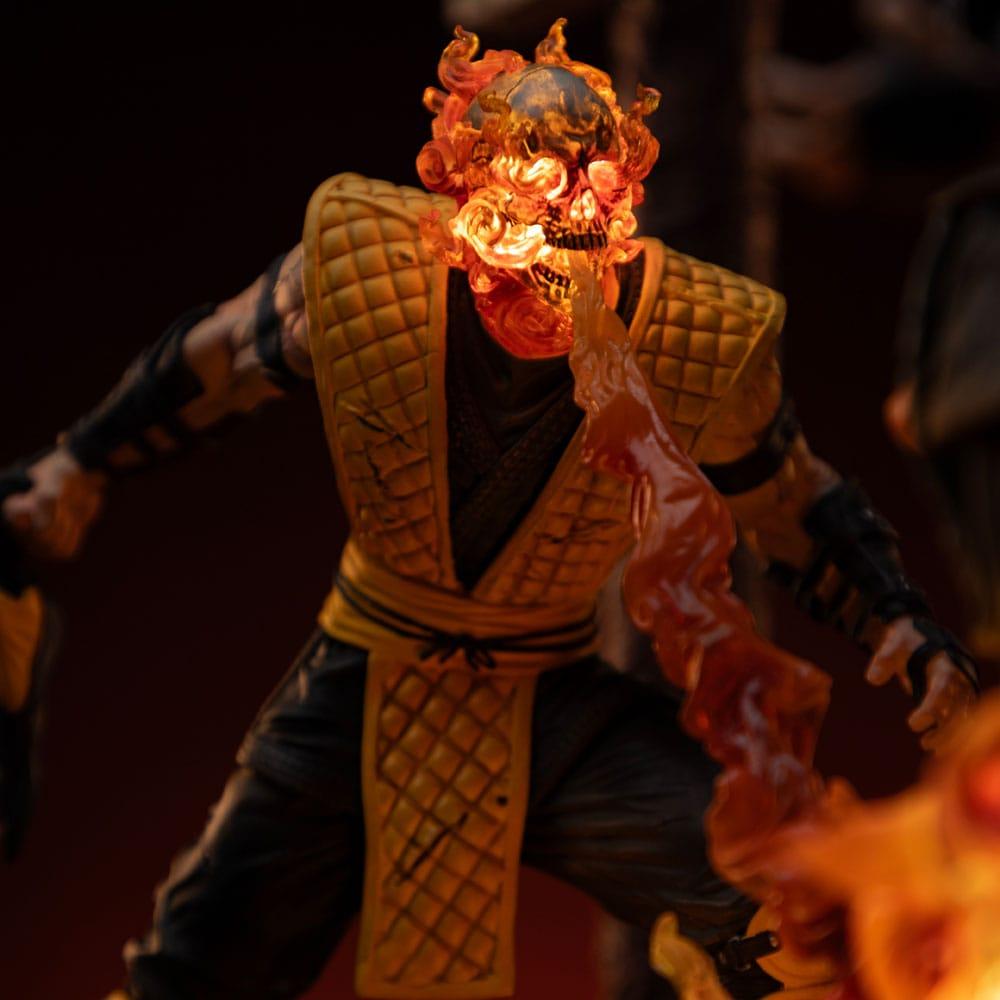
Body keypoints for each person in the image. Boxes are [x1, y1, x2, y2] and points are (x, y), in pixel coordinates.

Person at [0, 21, 979, 1000]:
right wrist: (81, 463)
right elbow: (214, 363)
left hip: (551, 693)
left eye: (587, 210)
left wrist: (900, 623)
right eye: (529, 204)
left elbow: (787, 496)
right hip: (366, 676)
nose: (558, 241)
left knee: (780, 899)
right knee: (195, 967)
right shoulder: (364, 268)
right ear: (465, 196)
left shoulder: (682, 329)